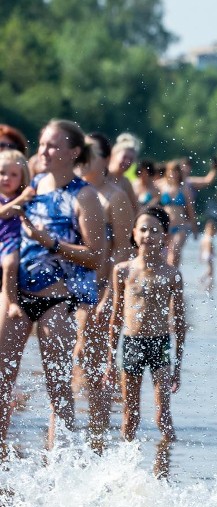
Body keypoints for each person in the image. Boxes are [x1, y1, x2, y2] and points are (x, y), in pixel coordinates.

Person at [0, 119, 106, 457]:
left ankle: (57, 465)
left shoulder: (84, 195)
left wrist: (52, 242)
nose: (43, 150)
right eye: (43, 143)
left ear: (73, 152)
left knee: (58, 387)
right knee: (2, 382)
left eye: (52, 145)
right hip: (16, 297)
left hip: (56, 302)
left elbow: (96, 256)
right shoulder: (34, 182)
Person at [105, 207, 186, 448]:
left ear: (164, 236)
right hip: (132, 343)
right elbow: (116, 316)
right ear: (133, 233)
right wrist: (110, 360)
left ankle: (165, 469)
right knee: (131, 415)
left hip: (160, 344)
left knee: (163, 417)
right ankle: (123, 467)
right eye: (143, 229)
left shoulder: (172, 274)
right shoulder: (123, 270)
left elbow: (179, 322)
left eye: (154, 230)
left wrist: (178, 365)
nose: (148, 235)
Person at [77, 132, 136, 448]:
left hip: (96, 288)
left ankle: (97, 434)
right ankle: (64, 438)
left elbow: (124, 252)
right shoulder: (63, 189)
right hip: (60, 289)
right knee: (70, 364)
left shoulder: (115, 194)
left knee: (90, 359)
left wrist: (110, 295)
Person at [0, 149, 33, 317]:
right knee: (10, 263)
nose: (6, 178)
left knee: (12, 263)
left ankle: (14, 301)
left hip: (18, 240)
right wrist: (21, 200)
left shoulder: (24, 197)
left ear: (22, 178)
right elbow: (3, 213)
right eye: (2, 173)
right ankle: (11, 301)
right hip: (4, 240)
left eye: (13, 174)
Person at [157, 160, 198, 267]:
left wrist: (194, 229)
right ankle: (166, 280)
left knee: (174, 253)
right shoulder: (162, 187)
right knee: (162, 256)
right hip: (165, 227)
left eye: (176, 171)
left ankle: (174, 280)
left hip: (180, 227)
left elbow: (190, 210)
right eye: (171, 171)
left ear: (180, 173)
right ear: (167, 172)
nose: (173, 174)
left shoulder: (184, 189)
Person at [108, 133, 140, 211]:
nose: (127, 162)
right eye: (124, 157)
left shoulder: (126, 183)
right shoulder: (102, 175)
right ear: (113, 155)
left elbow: (135, 209)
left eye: (131, 159)